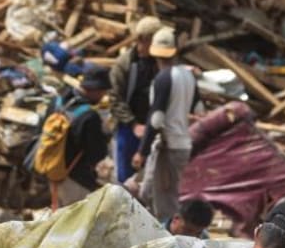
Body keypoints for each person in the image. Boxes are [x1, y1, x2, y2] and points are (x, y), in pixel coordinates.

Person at [134, 27, 199, 223]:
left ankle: (169, 239)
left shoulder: (163, 78)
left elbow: (156, 119)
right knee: (150, 190)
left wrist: (142, 151)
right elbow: (199, 108)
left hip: (169, 145)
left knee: (165, 200)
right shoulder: (189, 76)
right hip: (183, 144)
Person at [109, 16, 163, 185]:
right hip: (130, 128)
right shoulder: (124, 64)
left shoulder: (159, 61)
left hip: (155, 126)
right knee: (127, 178)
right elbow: (115, 99)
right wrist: (133, 124)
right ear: (142, 40)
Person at [57, 66, 112, 207]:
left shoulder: (59, 100)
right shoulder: (89, 117)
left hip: (53, 170)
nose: (103, 96)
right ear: (96, 89)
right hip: (75, 178)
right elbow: (97, 155)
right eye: (103, 91)